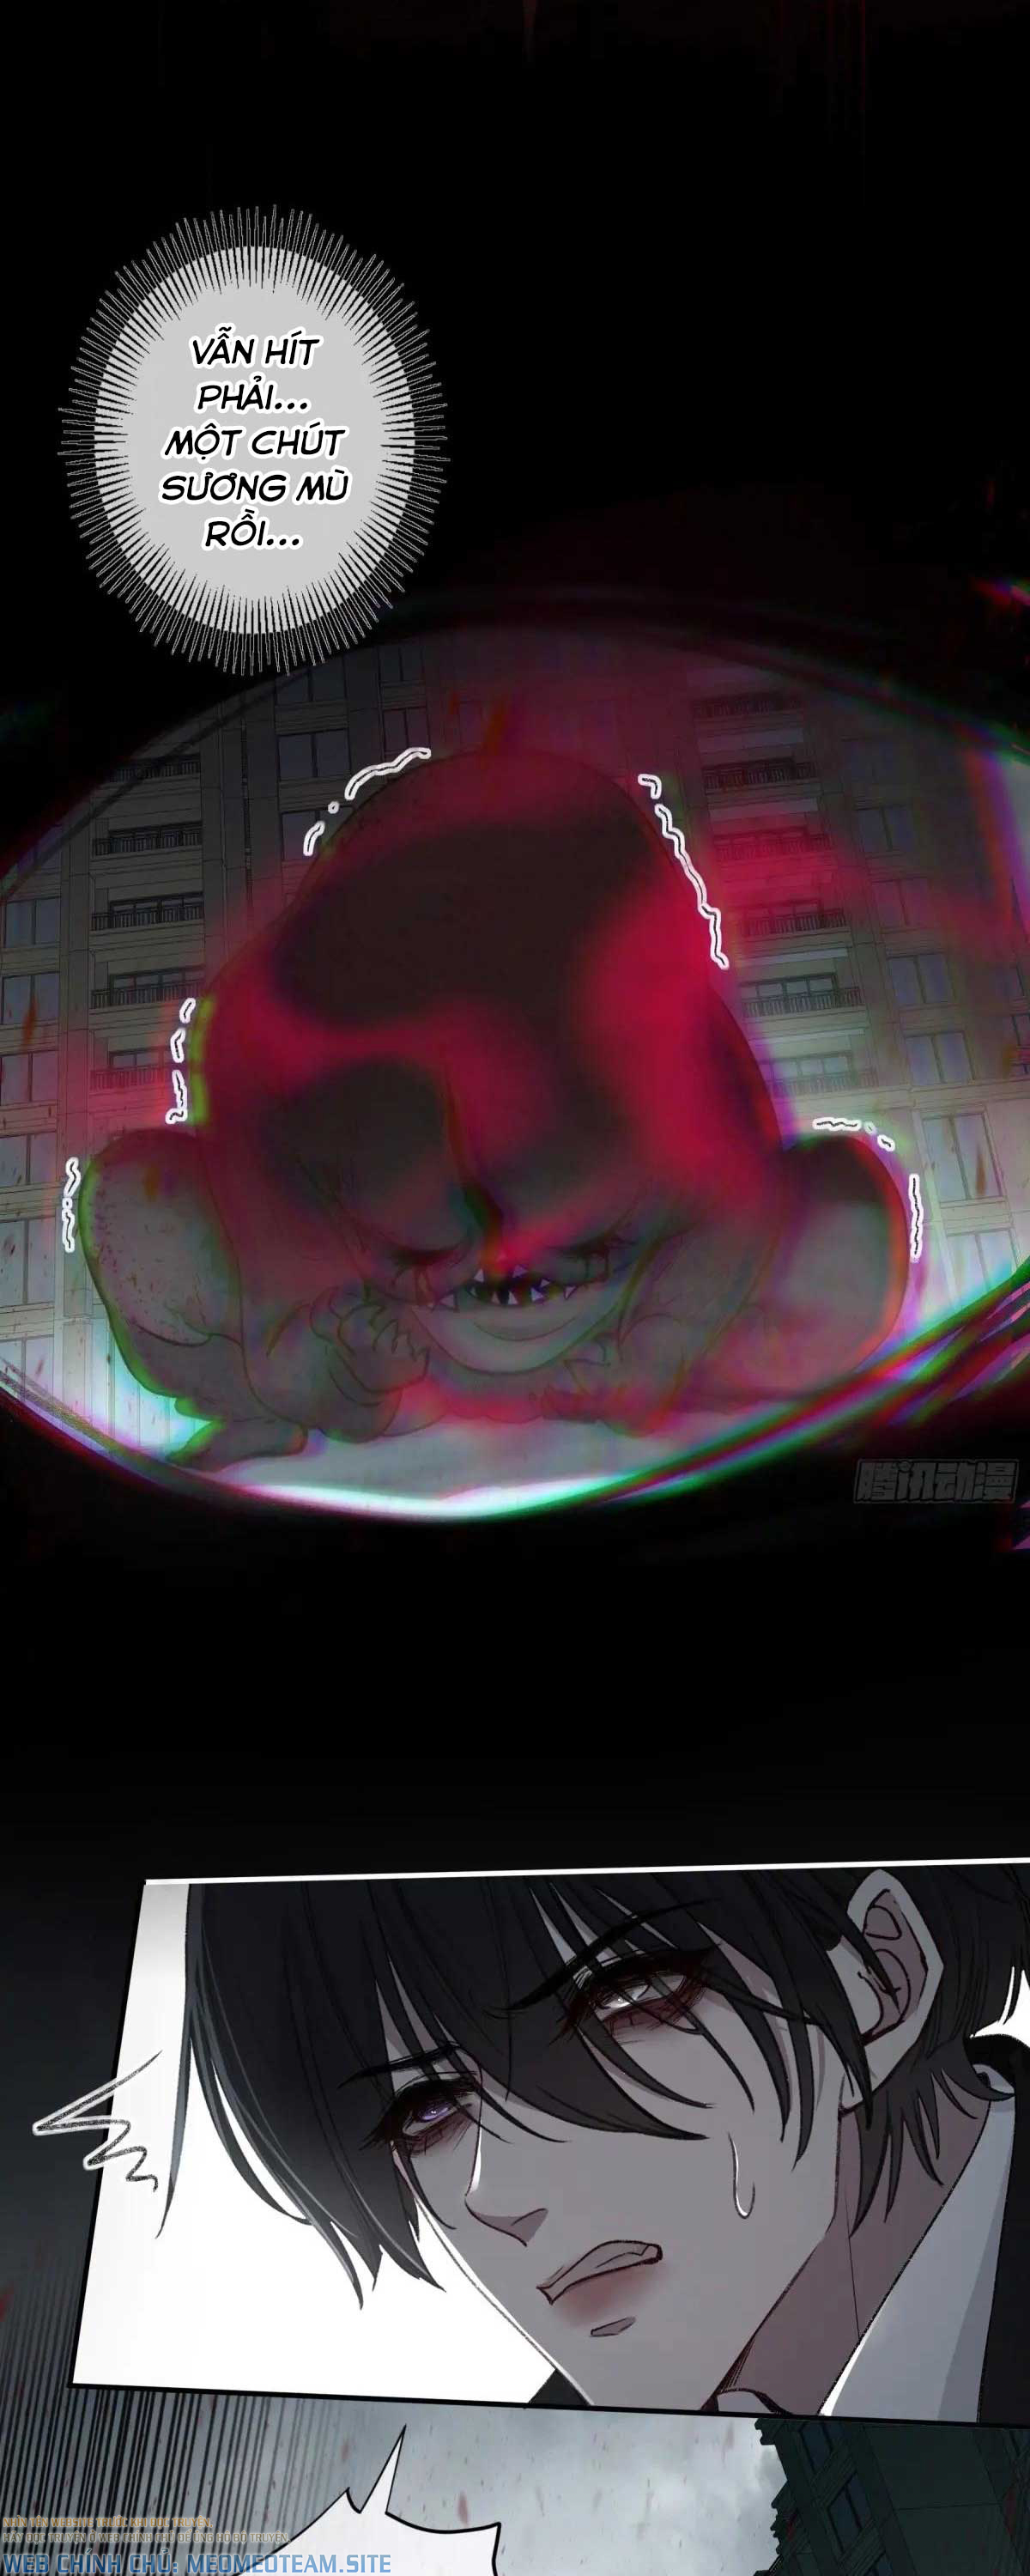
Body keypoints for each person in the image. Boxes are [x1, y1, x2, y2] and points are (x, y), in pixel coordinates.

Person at [78, 750, 918, 1494]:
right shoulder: (288, 1108)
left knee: (842, 1217)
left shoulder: (677, 1076)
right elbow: (266, 1277)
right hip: (396, 1359)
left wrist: (661, 1345)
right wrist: (323, 1365)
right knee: (148, 1210)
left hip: (633, 1335)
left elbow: (741, 1207)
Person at [166, 1863, 1030, 2422]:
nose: (493, 2191)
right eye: (427, 2110)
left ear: (880, 1978)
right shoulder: (506, 2507)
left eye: (624, 2005)